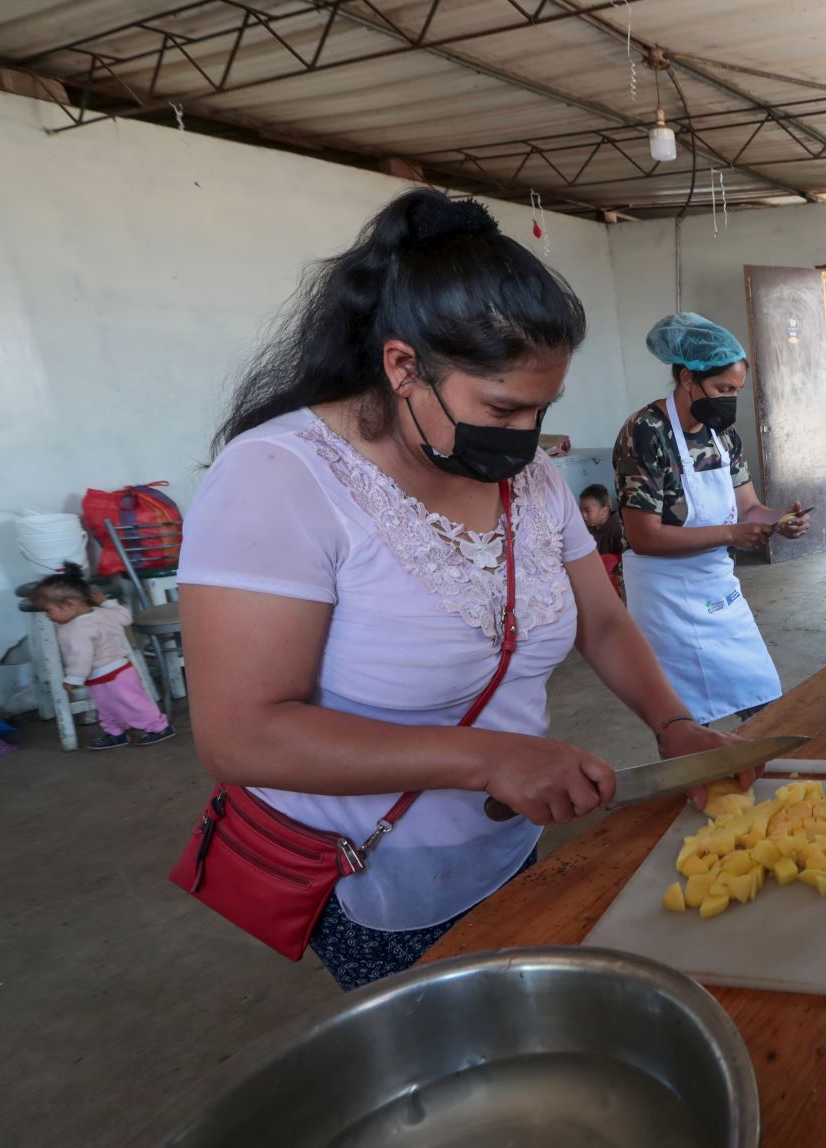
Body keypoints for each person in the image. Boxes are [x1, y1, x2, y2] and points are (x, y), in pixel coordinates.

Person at [176, 189, 752, 990]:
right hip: (373, 873)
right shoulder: (279, 479)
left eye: (542, 409)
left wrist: (674, 722)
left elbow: (604, 622)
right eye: (503, 409)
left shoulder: (535, 481)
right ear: (403, 365)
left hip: (507, 845)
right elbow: (240, 735)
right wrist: (490, 759)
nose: (527, 440)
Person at [614, 313, 809, 726]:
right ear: (687, 378)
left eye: (735, 390)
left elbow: (749, 507)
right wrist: (732, 534)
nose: (728, 399)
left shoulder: (722, 434)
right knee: (683, 720)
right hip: (663, 596)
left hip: (717, 587)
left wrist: (781, 519)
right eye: (722, 388)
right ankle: (693, 787)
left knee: (764, 698)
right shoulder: (646, 431)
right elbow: (643, 536)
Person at [32, 563, 173, 750]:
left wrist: (73, 679)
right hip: (120, 670)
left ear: (69, 604)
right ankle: (117, 733)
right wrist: (108, 603)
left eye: (48, 610)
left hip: (106, 674)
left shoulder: (75, 629)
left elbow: (81, 656)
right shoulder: (104, 613)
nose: (47, 616)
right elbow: (126, 618)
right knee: (113, 705)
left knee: (127, 704)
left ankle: (158, 727)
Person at [578, 483, 627, 598]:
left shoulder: (618, 528)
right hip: (598, 579)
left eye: (587, 510)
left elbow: (627, 554)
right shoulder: (587, 529)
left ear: (604, 511)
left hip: (615, 582)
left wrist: (619, 572)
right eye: (581, 510)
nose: (583, 515)